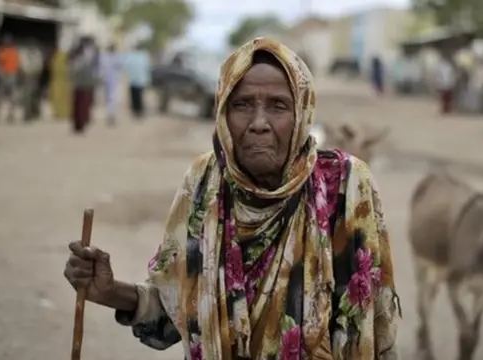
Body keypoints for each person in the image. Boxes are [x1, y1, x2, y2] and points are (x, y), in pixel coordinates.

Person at [63, 37, 400, 359]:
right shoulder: (204, 182)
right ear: (222, 111)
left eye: (278, 106)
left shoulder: (345, 185)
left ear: (302, 113)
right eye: (241, 105)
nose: (258, 124)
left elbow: (370, 324)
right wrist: (108, 291)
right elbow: (174, 311)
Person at [0, 35, 20, 123]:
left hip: (6, 75)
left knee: (0, 96)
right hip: (12, 74)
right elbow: (17, 64)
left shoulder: (3, 50)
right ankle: (11, 116)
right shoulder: (14, 51)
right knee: (12, 96)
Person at [69, 42, 97, 134]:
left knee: (79, 106)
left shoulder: (78, 61)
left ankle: (79, 124)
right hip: (83, 86)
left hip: (80, 86)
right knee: (82, 106)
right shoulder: (85, 60)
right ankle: (80, 124)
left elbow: (73, 73)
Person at [122, 43, 150, 119]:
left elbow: (126, 66)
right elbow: (147, 68)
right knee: (138, 97)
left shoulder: (137, 56)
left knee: (136, 97)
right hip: (138, 80)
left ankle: (137, 111)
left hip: (136, 80)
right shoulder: (142, 56)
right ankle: (138, 111)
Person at [19, 40, 44, 122]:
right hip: (27, 76)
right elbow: (22, 65)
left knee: (35, 96)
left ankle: (35, 113)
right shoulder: (24, 53)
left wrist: (37, 73)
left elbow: (39, 65)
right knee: (27, 96)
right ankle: (27, 114)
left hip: (35, 76)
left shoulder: (37, 53)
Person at [100, 44, 122, 125]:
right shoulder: (105, 57)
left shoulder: (116, 57)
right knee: (109, 98)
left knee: (113, 98)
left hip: (113, 79)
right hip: (108, 80)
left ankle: (111, 114)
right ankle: (110, 114)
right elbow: (102, 68)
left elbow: (120, 66)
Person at [49, 45, 71, 121]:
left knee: (61, 98)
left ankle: (62, 113)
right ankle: (59, 113)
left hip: (61, 82)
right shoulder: (56, 58)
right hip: (58, 82)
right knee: (57, 98)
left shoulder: (58, 58)